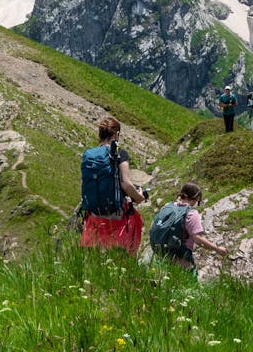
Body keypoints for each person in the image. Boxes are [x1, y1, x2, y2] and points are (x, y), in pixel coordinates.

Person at [80, 117, 148, 254]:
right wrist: (139, 197)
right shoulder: (119, 153)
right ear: (116, 134)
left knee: (95, 256)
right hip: (116, 215)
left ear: (100, 134)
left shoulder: (89, 155)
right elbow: (126, 184)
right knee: (123, 252)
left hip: (93, 213)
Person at [150, 182, 228, 274]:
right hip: (180, 256)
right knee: (188, 283)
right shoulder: (191, 213)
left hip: (161, 253)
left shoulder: (167, 206)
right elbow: (198, 239)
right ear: (197, 197)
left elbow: (152, 227)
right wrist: (217, 248)